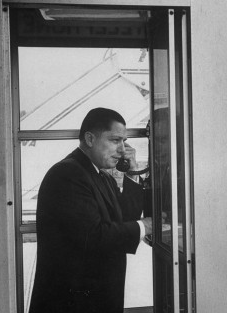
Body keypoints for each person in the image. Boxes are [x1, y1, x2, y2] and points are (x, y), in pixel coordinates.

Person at [28, 107, 152, 313]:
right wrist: (145, 226)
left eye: (124, 141)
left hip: (93, 299)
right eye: (115, 140)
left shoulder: (99, 175)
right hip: (73, 303)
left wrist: (131, 173)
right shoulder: (67, 174)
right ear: (90, 139)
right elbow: (94, 236)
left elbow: (123, 220)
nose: (123, 149)